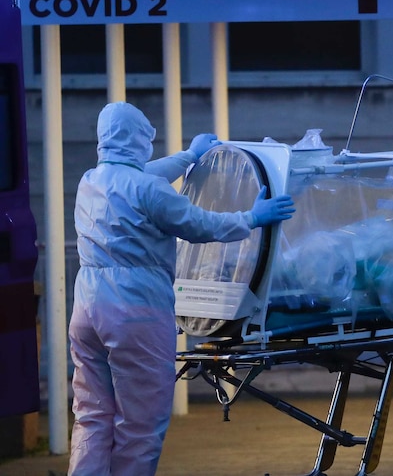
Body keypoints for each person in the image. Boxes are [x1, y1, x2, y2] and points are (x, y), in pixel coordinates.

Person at [68, 102, 296, 476]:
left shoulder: (91, 180)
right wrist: (253, 218)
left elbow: (139, 176)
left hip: (87, 307)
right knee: (140, 423)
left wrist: (189, 155)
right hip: (133, 309)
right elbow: (198, 224)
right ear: (140, 139)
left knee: (92, 414)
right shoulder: (150, 191)